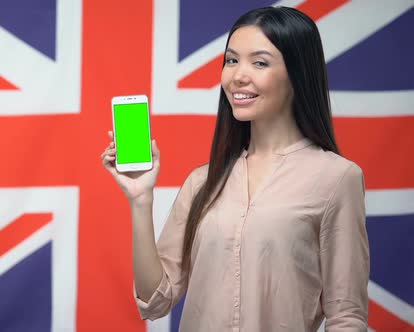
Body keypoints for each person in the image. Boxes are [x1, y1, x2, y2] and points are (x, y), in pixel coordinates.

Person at [101, 6, 370, 332]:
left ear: (297, 74)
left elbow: (347, 317)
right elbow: (155, 300)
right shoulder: (201, 182)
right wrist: (140, 200)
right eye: (231, 60)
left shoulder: (337, 178)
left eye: (259, 62)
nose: (238, 75)